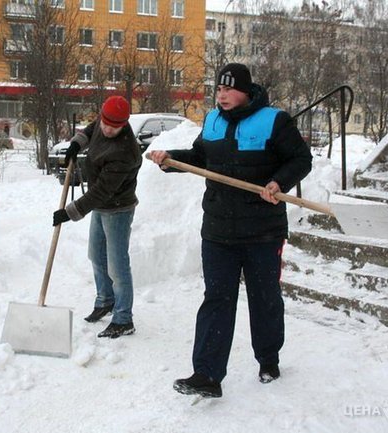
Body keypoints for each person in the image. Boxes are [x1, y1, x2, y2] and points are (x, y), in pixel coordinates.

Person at [150, 63, 312, 398]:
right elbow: (199, 157)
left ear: (246, 90)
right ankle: (207, 374)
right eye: (219, 90)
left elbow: (301, 159)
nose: (222, 95)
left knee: (264, 297)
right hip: (218, 231)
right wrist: (171, 159)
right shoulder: (212, 121)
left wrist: (278, 182)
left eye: (229, 89)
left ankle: (268, 357)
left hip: (263, 232)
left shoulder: (273, 120)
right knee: (217, 298)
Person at [52, 95, 142, 339]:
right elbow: (92, 129)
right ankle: (105, 300)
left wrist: (69, 213)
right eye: (105, 123)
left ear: (124, 124)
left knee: (117, 265)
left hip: (118, 208)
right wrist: (76, 144)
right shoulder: (104, 123)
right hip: (102, 206)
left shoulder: (125, 152)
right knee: (96, 255)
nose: (107, 129)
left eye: (114, 127)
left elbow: (101, 191)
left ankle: (124, 318)